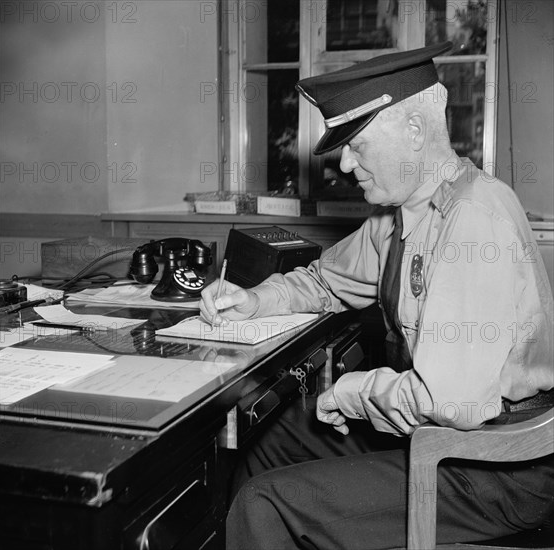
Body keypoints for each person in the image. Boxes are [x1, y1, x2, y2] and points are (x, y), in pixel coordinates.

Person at [200, 42, 554, 550]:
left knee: (266, 503)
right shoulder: (399, 216)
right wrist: (255, 300)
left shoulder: (474, 218)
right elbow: (325, 280)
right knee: (272, 443)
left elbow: (445, 402)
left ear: (414, 131)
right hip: (448, 437)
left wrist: (353, 393)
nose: (344, 164)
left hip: (496, 462)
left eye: (356, 144)